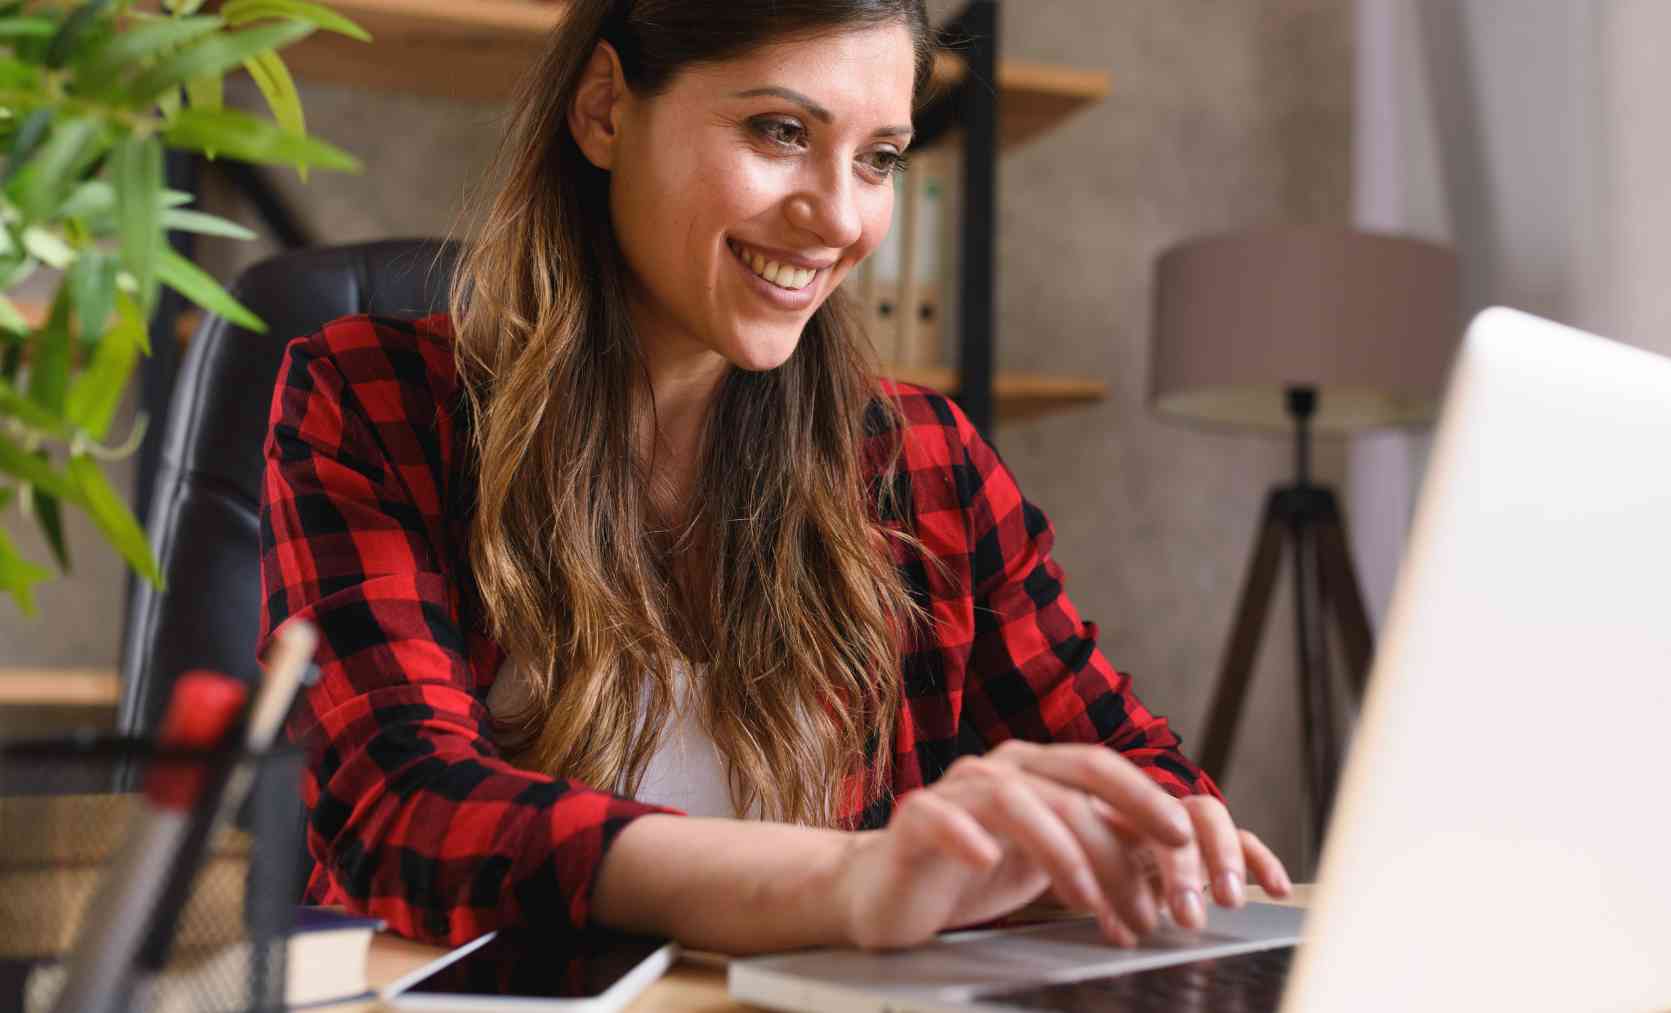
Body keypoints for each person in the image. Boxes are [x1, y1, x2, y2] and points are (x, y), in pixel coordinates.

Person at [257, 0, 1290, 956]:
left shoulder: (922, 462)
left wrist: (1151, 834)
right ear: (606, 110)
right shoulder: (374, 397)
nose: (839, 219)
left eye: (881, 157)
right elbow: (399, 809)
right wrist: (850, 882)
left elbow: (1141, 774)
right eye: (780, 132)